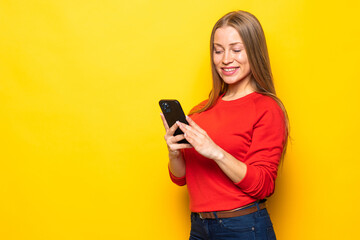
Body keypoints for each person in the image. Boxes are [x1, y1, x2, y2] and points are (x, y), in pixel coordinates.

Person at [160, 10, 289, 240]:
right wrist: (174, 153)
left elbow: (264, 185)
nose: (225, 59)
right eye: (218, 51)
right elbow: (181, 178)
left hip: (242, 227)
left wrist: (216, 153)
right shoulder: (199, 111)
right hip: (200, 227)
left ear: (254, 51)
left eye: (236, 50)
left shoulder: (267, 108)